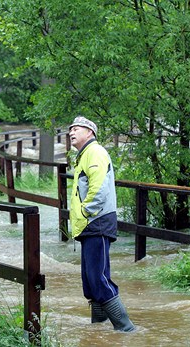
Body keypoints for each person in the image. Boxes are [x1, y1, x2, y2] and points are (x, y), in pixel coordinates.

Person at [68, 116, 135, 332]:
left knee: (99, 278)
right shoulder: (84, 155)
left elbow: (99, 188)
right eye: (70, 129)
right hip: (89, 225)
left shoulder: (95, 152)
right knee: (90, 281)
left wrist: (86, 212)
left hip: (96, 222)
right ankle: (98, 329)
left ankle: (126, 329)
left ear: (90, 132)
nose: (71, 132)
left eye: (77, 129)